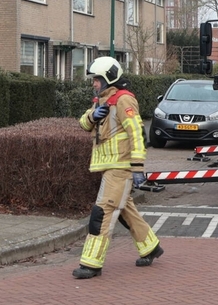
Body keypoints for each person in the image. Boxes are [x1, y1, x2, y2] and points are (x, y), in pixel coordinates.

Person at [72, 56, 162, 279]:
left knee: (102, 212)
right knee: (125, 212)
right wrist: (93, 115)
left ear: (108, 78)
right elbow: (83, 124)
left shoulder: (124, 101)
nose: (94, 83)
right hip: (110, 167)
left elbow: (138, 135)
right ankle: (150, 247)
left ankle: (91, 263)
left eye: (97, 79)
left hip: (120, 168)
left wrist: (138, 168)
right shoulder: (101, 100)